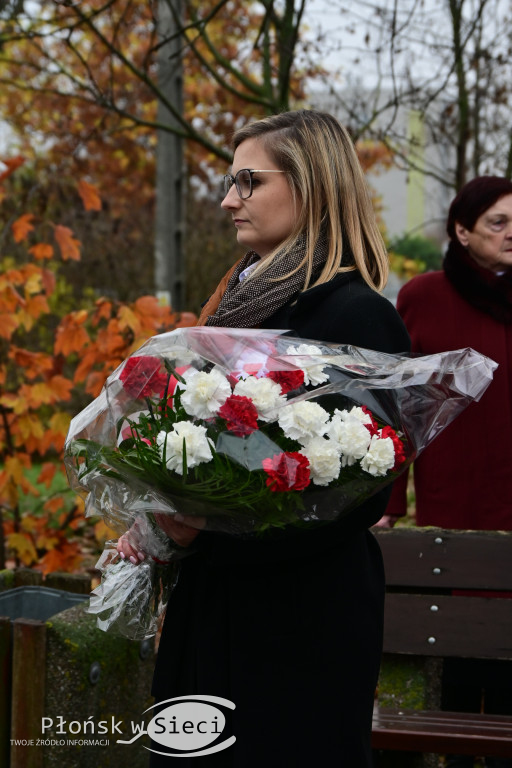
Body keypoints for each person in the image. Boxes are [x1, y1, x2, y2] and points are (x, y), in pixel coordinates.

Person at [118, 109, 410, 767]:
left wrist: (203, 525)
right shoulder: (240, 302)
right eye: (230, 181)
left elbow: (360, 496)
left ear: (310, 185)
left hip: (299, 624)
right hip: (217, 607)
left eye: (248, 181)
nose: (228, 200)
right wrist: (162, 510)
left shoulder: (357, 313)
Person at [385, 175, 512, 768]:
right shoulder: (425, 296)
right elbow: (399, 407)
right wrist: (387, 501)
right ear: (461, 231)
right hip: (452, 515)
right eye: (498, 222)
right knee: (460, 675)